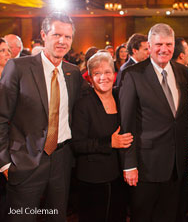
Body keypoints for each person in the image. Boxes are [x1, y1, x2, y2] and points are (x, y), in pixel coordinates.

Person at [0, 12, 85, 221]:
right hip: (25, 160)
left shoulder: (73, 73)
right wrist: (4, 162)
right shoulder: (18, 67)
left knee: (56, 217)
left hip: (62, 160)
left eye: (67, 37)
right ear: (43, 35)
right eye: (56, 35)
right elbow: (1, 116)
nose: (62, 41)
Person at [119, 23, 188, 222]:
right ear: (149, 45)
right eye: (158, 44)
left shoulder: (183, 72)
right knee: (143, 216)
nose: (164, 49)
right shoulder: (133, 74)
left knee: (170, 216)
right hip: (145, 166)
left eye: (168, 44)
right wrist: (129, 164)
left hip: (176, 165)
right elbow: (127, 122)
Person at [71, 51, 133, 222]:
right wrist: (109, 143)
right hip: (93, 179)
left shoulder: (120, 96)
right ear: (89, 78)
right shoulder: (83, 104)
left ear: (114, 74)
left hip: (119, 176)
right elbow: (77, 144)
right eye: (97, 74)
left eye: (107, 72)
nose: (103, 77)